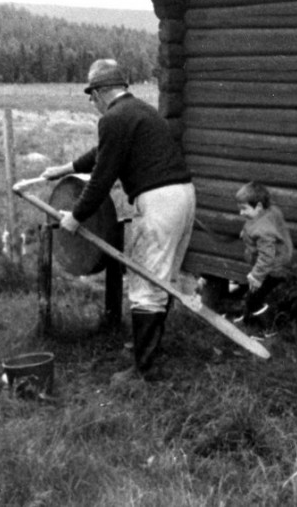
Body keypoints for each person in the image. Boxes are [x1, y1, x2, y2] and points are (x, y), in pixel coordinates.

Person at [41, 58, 196, 382]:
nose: (93, 103)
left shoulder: (113, 118)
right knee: (162, 279)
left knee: (146, 283)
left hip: (158, 203)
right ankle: (149, 350)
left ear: (98, 92)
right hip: (183, 195)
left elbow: (102, 177)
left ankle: (145, 369)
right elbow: (102, 153)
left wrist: (77, 216)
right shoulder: (138, 110)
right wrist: (65, 168)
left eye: (91, 96)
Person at [233, 182, 293, 331]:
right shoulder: (268, 211)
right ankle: (248, 321)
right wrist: (246, 233)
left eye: (244, 209)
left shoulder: (264, 230)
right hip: (272, 264)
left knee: (254, 299)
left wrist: (257, 276)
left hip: (273, 268)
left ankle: (269, 330)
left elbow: (267, 256)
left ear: (258, 206)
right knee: (252, 293)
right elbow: (255, 225)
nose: (241, 213)